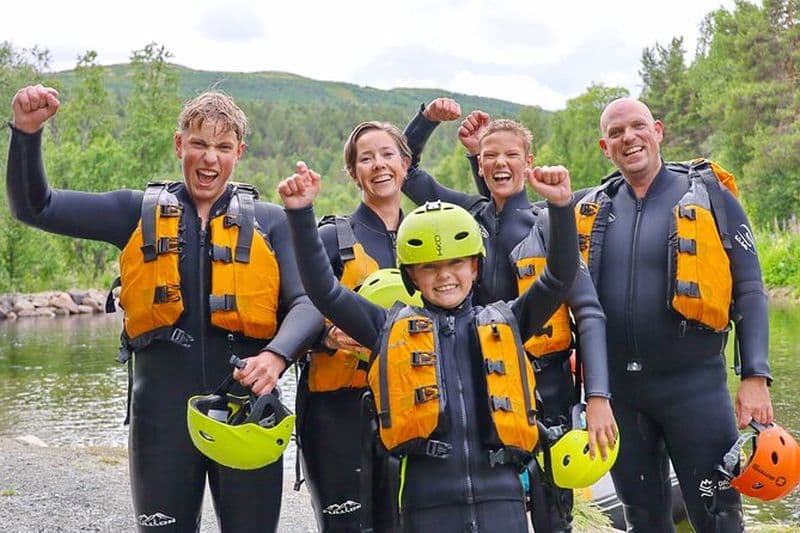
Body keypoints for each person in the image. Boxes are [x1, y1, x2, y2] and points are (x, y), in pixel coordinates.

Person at [6, 84, 323, 532]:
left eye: (222, 147)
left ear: (239, 153)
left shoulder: (271, 221)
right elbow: (35, 207)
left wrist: (276, 356)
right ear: (180, 145)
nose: (209, 158)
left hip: (245, 413)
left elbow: (308, 305)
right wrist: (26, 132)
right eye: (198, 143)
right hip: (160, 422)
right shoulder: (133, 211)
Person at [278, 159, 578, 533]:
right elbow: (325, 290)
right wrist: (301, 213)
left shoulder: (510, 320)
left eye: (456, 263)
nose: (445, 276)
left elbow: (559, 277)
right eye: (430, 267)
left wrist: (562, 207)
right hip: (425, 504)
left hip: (502, 501)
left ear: (474, 268)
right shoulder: (386, 329)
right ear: (411, 276)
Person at [402, 99, 617, 532]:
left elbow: (589, 312)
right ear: (478, 165)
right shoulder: (465, 219)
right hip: (487, 385)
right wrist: (426, 120)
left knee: (552, 512)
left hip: (548, 386)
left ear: (529, 163)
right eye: (490, 156)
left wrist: (597, 398)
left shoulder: (547, 225)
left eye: (511, 155)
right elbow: (407, 172)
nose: (500, 163)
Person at [575, 97, 773, 532]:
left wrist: (755, 377)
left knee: (718, 515)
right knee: (642, 519)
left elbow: (751, 291)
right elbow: (508, 210)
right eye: (616, 133)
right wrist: (481, 156)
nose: (629, 138)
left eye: (638, 126)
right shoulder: (593, 208)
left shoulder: (711, 198)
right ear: (603, 146)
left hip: (695, 389)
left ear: (658, 130)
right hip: (622, 398)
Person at [295, 120, 412, 532]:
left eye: (387, 155)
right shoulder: (329, 238)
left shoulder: (430, 239)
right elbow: (288, 313)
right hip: (337, 412)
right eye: (366, 158)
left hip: (410, 406)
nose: (378, 165)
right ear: (353, 171)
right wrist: (326, 337)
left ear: (405, 164)